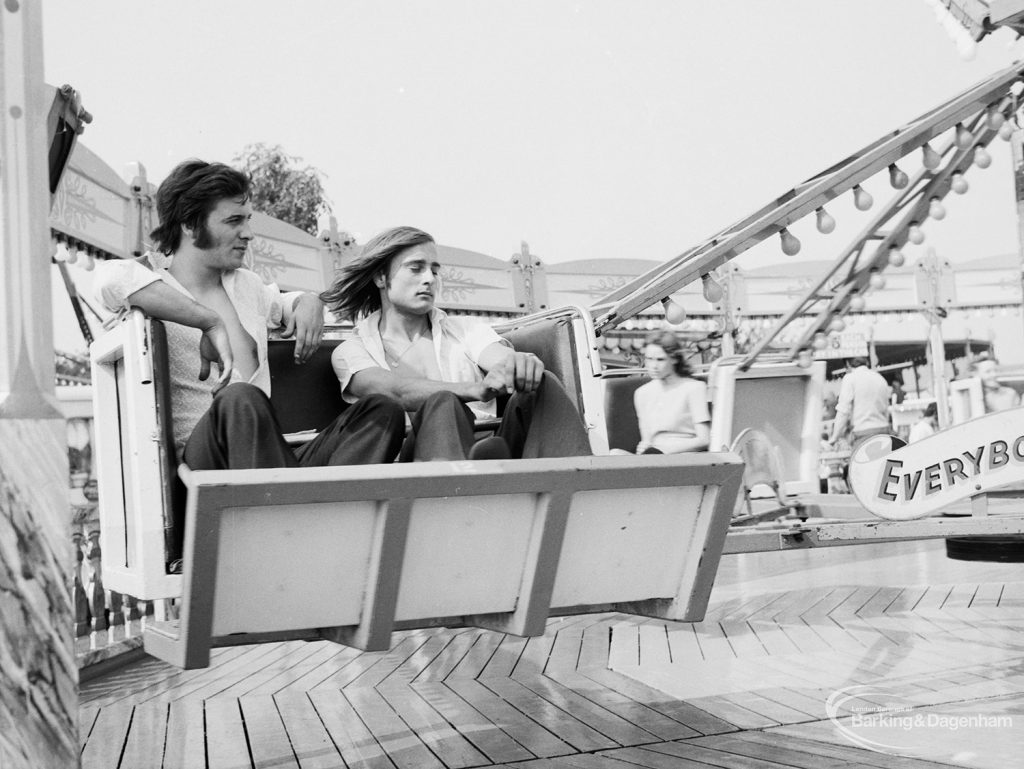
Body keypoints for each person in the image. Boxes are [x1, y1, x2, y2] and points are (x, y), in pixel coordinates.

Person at [93, 159, 406, 473]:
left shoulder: (245, 285)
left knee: (382, 409)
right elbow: (109, 280)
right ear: (189, 225)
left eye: (248, 220)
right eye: (233, 221)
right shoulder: (153, 283)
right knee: (238, 398)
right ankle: (289, 505)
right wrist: (207, 320)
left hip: (267, 459)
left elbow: (286, 304)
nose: (248, 233)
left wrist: (310, 301)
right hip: (205, 462)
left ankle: (310, 505)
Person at [321, 226, 592, 460]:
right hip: (414, 469)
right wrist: (475, 389)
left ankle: (581, 482)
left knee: (540, 380)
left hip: (490, 446)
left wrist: (518, 365)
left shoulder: (466, 330)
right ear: (381, 277)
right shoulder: (351, 350)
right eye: (416, 268)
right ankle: (469, 480)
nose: (429, 279)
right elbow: (393, 392)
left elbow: (497, 357)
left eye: (434, 270)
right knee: (444, 404)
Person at [631, 330, 710, 454]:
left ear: (674, 359)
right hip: (653, 456)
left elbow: (704, 439)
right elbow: (646, 439)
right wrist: (644, 446)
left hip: (684, 456)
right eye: (649, 359)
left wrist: (665, 450)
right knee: (614, 454)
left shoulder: (694, 388)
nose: (654, 366)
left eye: (660, 360)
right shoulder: (642, 393)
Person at [828, 356, 890, 446]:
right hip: (883, 432)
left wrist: (834, 437)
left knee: (860, 459)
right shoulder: (880, 378)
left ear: (848, 364)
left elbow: (843, 411)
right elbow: (886, 409)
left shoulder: (850, 378)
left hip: (863, 434)